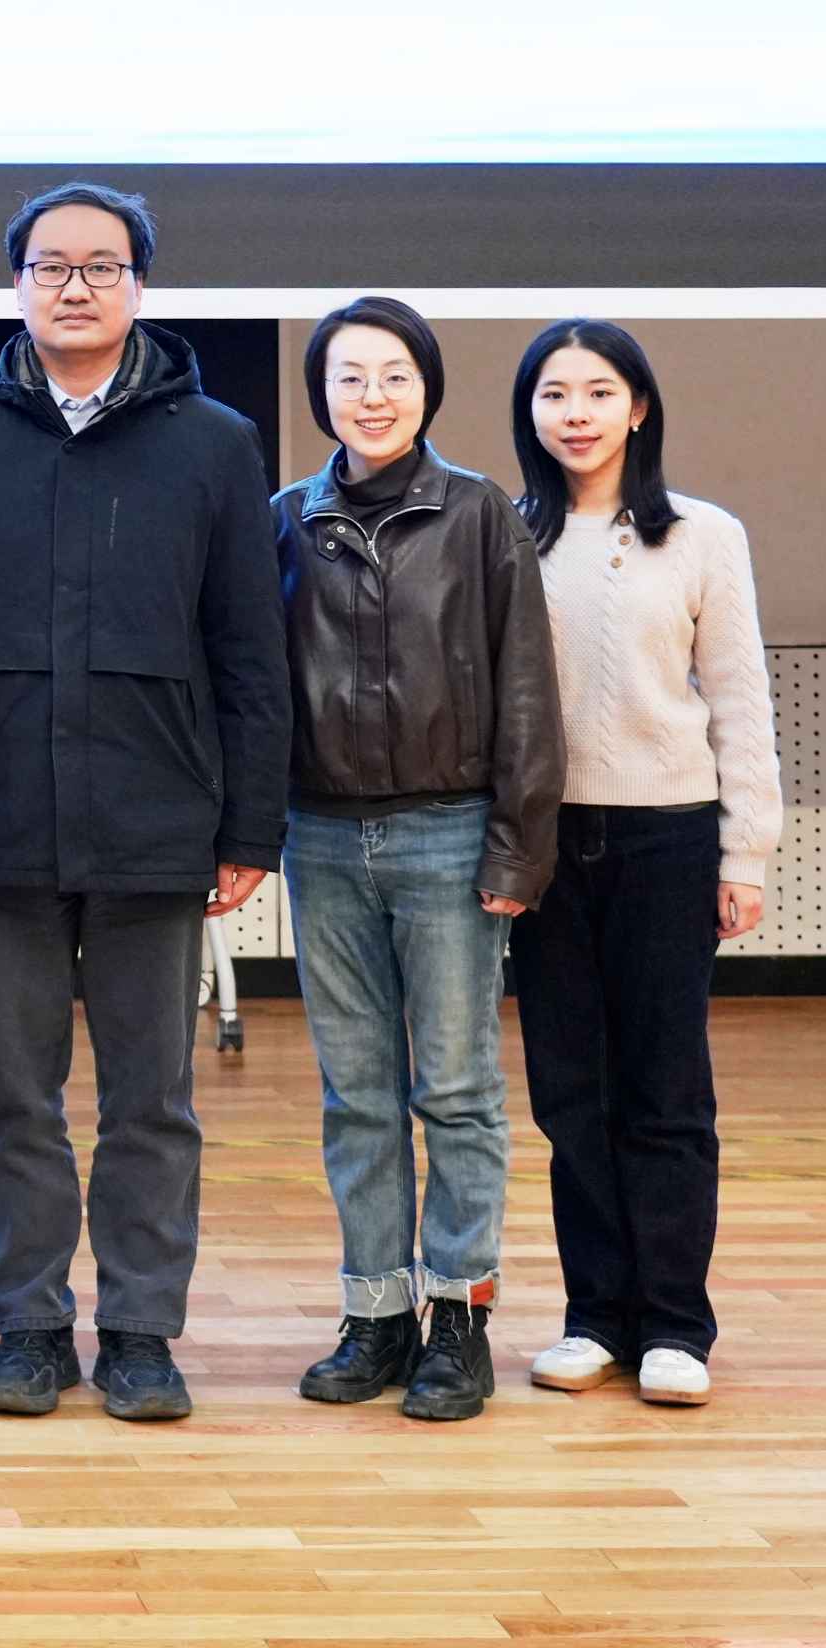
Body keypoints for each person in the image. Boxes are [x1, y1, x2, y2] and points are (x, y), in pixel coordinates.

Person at [0, 181, 288, 1423]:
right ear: (15, 285)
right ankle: (28, 1327)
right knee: (11, 1094)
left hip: (157, 823)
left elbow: (249, 648)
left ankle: (141, 1330)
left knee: (150, 1099)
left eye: (101, 265)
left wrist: (249, 823)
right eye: (51, 265)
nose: (75, 285)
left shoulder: (215, 442)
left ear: (140, 286)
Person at [271, 297, 562, 1421]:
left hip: (450, 831)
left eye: (395, 374)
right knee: (356, 1096)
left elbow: (526, 684)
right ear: (322, 394)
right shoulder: (286, 519)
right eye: (349, 376)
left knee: (457, 1092)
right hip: (320, 835)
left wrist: (517, 846)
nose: (373, 396)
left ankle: (459, 1320)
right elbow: (256, 685)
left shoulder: (482, 513)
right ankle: (376, 1315)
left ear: (428, 387)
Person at [508, 321, 780, 1408]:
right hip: (544, 843)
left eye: (597, 391)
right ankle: (596, 1316)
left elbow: (742, 696)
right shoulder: (506, 532)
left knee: (665, 1088)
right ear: (530, 412)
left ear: (639, 407)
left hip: (668, 836)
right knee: (570, 1091)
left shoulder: (705, 534)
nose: (575, 413)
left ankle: (674, 1323)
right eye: (553, 393)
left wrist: (745, 849)